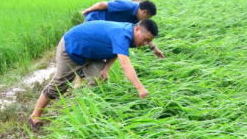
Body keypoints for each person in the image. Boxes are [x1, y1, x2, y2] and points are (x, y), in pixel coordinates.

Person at [28, 19, 158, 132]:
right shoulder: (123, 34)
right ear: (137, 29)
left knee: (99, 81)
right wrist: (140, 88)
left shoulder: (131, 32)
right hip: (72, 47)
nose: (145, 43)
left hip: (92, 53)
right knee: (59, 85)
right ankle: (35, 116)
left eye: (148, 41)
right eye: (145, 40)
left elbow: (116, 50)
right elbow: (125, 65)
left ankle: (91, 115)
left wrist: (106, 68)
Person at [82, 0, 164, 58]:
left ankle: (82, 76)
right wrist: (88, 10)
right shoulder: (126, 6)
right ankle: (79, 78)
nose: (145, 20)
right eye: (148, 17)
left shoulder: (136, 19)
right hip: (94, 20)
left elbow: (144, 34)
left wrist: (154, 49)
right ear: (144, 12)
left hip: (106, 28)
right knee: (89, 47)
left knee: (100, 49)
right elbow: (102, 4)